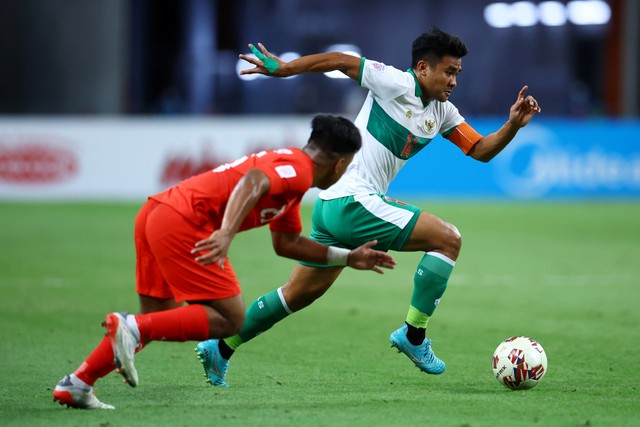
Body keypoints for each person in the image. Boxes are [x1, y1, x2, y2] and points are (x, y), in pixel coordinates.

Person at [195, 26, 541, 387]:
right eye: (448, 71)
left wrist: (513, 125)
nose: (454, 80)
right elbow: (341, 60)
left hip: (333, 206)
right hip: (354, 200)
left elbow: (480, 149)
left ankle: (221, 348)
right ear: (423, 68)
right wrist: (284, 69)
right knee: (448, 240)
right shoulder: (395, 82)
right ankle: (414, 334)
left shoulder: (442, 112)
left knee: (296, 294)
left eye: (457, 73)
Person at [52, 114, 396, 410]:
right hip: (185, 221)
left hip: (156, 212)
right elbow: (254, 181)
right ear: (340, 163)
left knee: (156, 320)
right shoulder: (300, 171)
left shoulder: (290, 175)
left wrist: (347, 257)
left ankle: (77, 383)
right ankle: (127, 329)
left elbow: (287, 244)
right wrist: (227, 232)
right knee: (231, 318)